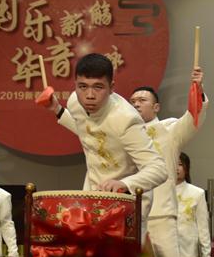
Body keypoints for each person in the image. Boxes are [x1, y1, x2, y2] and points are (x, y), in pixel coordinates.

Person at [45, 53, 168, 237]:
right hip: (92, 196)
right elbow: (89, 134)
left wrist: (124, 183)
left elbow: (159, 169)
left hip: (126, 203)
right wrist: (57, 109)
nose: (89, 95)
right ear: (75, 85)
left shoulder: (126, 119)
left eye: (98, 87)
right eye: (83, 87)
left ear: (112, 88)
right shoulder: (75, 102)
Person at [129, 67, 208, 257]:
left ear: (156, 107)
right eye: (133, 101)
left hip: (161, 215)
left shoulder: (169, 129)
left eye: (142, 100)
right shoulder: (125, 134)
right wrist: (59, 111)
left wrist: (198, 89)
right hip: (132, 215)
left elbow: (193, 119)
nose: (136, 104)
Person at [176, 152, 211, 257]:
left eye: (180, 164)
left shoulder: (197, 193)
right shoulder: (160, 192)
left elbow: (203, 227)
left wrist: (206, 256)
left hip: (188, 251)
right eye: (173, 164)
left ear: (186, 169)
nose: (176, 168)